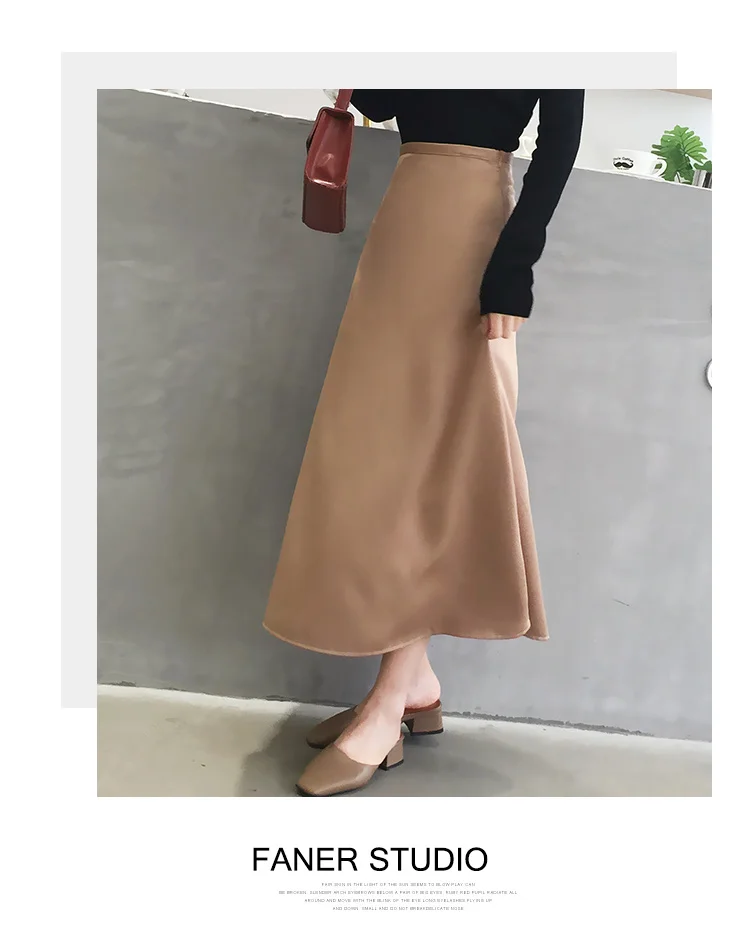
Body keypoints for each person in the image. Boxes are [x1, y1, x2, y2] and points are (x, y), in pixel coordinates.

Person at [263, 89, 585, 796]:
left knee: (432, 464)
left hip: (473, 238)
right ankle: (415, 685)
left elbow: (560, 142)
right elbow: (383, 103)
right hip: (402, 227)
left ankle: (390, 701)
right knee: (377, 460)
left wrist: (514, 266)